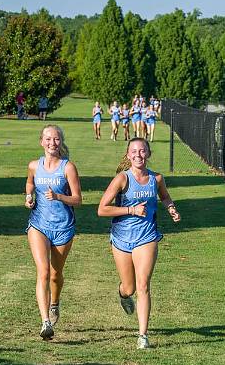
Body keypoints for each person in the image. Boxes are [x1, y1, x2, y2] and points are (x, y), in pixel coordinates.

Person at [97, 138, 181, 349]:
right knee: (130, 287)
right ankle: (123, 294)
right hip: (122, 238)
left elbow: (165, 197)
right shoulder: (122, 179)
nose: (138, 155)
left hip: (147, 236)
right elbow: (102, 209)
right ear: (128, 155)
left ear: (149, 154)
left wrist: (171, 209)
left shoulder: (157, 179)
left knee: (143, 285)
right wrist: (131, 210)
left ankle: (142, 335)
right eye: (134, 151)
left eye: (142, 151)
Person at [25, 125, 83, 340]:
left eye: (56, 139)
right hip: (38, 225)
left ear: (61, 142)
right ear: (41, 141)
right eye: (48, 139)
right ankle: (45, 322)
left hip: (63, 227)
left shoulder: (68, 168)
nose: (52, 143)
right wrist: (29, 197)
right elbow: (30, 184)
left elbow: (78, 199)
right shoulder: (34, 166)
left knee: (56, 273)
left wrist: (59, 197)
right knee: (43, 272)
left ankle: (55, 303)